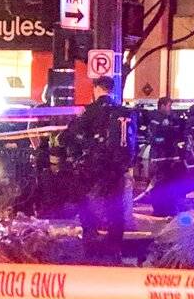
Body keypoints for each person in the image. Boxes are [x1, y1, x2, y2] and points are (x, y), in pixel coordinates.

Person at [63, 76, 137, 261]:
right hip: (117, 168)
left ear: (96, 89)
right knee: (116, 207)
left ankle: (91, 244)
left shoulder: (91, 111)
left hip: (95, 166)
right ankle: (114, 249)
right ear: (112, 90)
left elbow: (70, 135)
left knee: (86, 203)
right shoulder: (124, 112)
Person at [141, 97, 185, 216]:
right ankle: (159, 209)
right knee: (158, 183)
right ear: (162, 106)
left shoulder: (172, 118)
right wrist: (166, 138)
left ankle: (169, 207)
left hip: (170, 157)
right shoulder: (155, 119)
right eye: (169, 106)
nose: (170, 109)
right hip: (159, 157)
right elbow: (154, 138)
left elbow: (177, 135)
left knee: (170, 183)